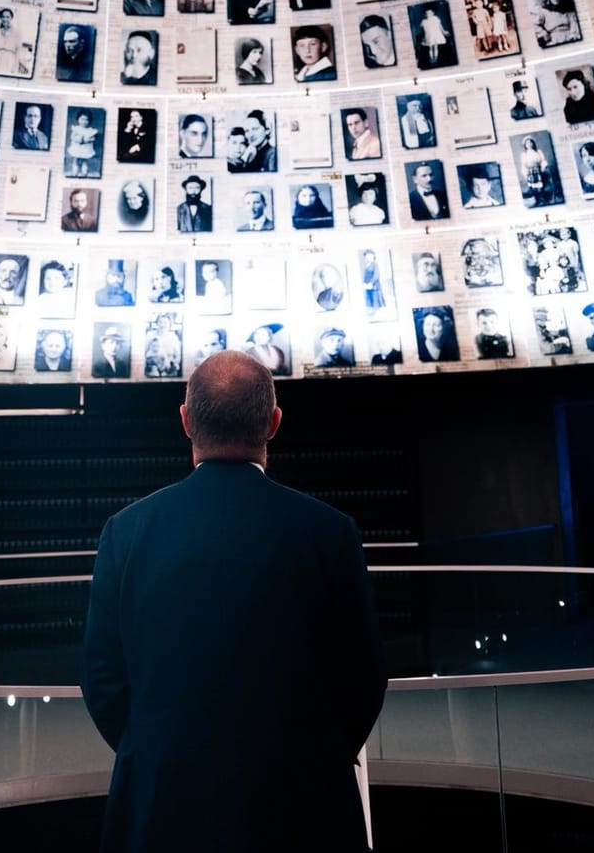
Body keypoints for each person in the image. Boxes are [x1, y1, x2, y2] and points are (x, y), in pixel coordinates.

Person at [83, 350, 383, 850]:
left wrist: (159, 752)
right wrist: (316, 755)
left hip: (163, 808)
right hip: (305, 809)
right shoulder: (330, 532)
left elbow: (102, 678)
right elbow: (364, 676)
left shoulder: (126, 532)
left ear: (185, 421)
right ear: (273, 423)